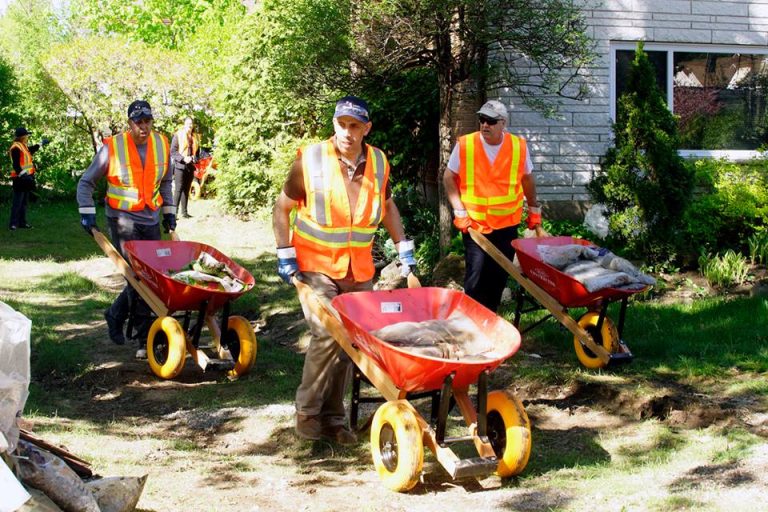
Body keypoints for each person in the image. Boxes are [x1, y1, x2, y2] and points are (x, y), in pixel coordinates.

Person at [272, 95, 416, 445]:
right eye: (341, 124)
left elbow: (386, 206)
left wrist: (404, 250)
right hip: (315, 265)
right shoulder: (310, 160)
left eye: (354, 126)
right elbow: (282, 208)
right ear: (334, 124)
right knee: (327, 332)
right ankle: (307, 412)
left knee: (350, 342)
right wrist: (284, 254)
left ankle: (335, 419)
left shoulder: (379, 162)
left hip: (359, 270)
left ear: (366, 128)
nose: (347, 132)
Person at [77, 100, 176, 359]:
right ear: (129, 123)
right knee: (137, 277)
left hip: (151, 218)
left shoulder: (161, 144)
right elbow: (86, 183)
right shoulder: (113, 147)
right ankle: (145, 339)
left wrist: (169, 214)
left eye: (147, 122)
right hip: (122, 219)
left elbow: (165, 182)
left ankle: (116, 314)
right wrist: (87, 215)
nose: (143, 127)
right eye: (138, 122)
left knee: (153, 276)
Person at [443, 99, 544, 312]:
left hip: (506, 226)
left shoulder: (518, 147)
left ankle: (489, 320)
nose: (485, 125)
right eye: (482, 120)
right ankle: (470, 323)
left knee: (498, 278)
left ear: (503, 123)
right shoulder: (466, 145)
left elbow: (527, 179)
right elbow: (448, 177)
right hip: (474, 225)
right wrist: (459, 210)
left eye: (491, 121)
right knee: (476, 277)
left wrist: (534, 210)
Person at [8, 126, 46, 230]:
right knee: (18, 202)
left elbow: (31, 151)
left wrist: (41, 143)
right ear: (22, 137)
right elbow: (16, 165)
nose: (27, 137)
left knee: (24, 202)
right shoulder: (16, 147)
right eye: (26, 135)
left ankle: (22, 223)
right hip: (19, 178)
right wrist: (24, 175)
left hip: (26, 177)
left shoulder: (23, 146)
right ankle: (13, 224)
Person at [170, 117, 201, 218]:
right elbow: (173, 152)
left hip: (190, 167)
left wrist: (194, 158)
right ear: (184, 124)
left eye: (191, 124)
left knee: (186, 190)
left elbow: (197, 152)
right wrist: (183, 158)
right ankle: (173, 214)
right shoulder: (178, 135)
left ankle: (184, 213)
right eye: (188, 123)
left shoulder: (195, 137)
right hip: (180, 166)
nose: (190, 125)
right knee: (178, 190)